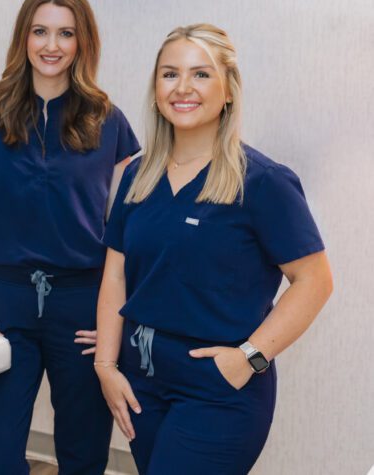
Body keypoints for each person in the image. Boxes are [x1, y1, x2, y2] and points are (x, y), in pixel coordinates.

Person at [95, 24, 332, 474]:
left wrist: (249, 358)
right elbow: (116, 275)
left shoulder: (262, 181)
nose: (182, 87)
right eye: (170, 74)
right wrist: (106, 365)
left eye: (201, 74)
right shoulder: (138, 176)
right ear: (155, 90)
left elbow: (315, 281)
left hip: (218, 388)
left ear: (228, 91)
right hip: (142, 379)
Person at [0, 0, 140, 475]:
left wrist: (113, 318)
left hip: (81, 305)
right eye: (40, 31)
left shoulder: (107, 120)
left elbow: (121, 233)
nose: (51, 45)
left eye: (65, 33)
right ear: (24, 36)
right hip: (1, 302)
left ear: (83, 42)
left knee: (83, 455)